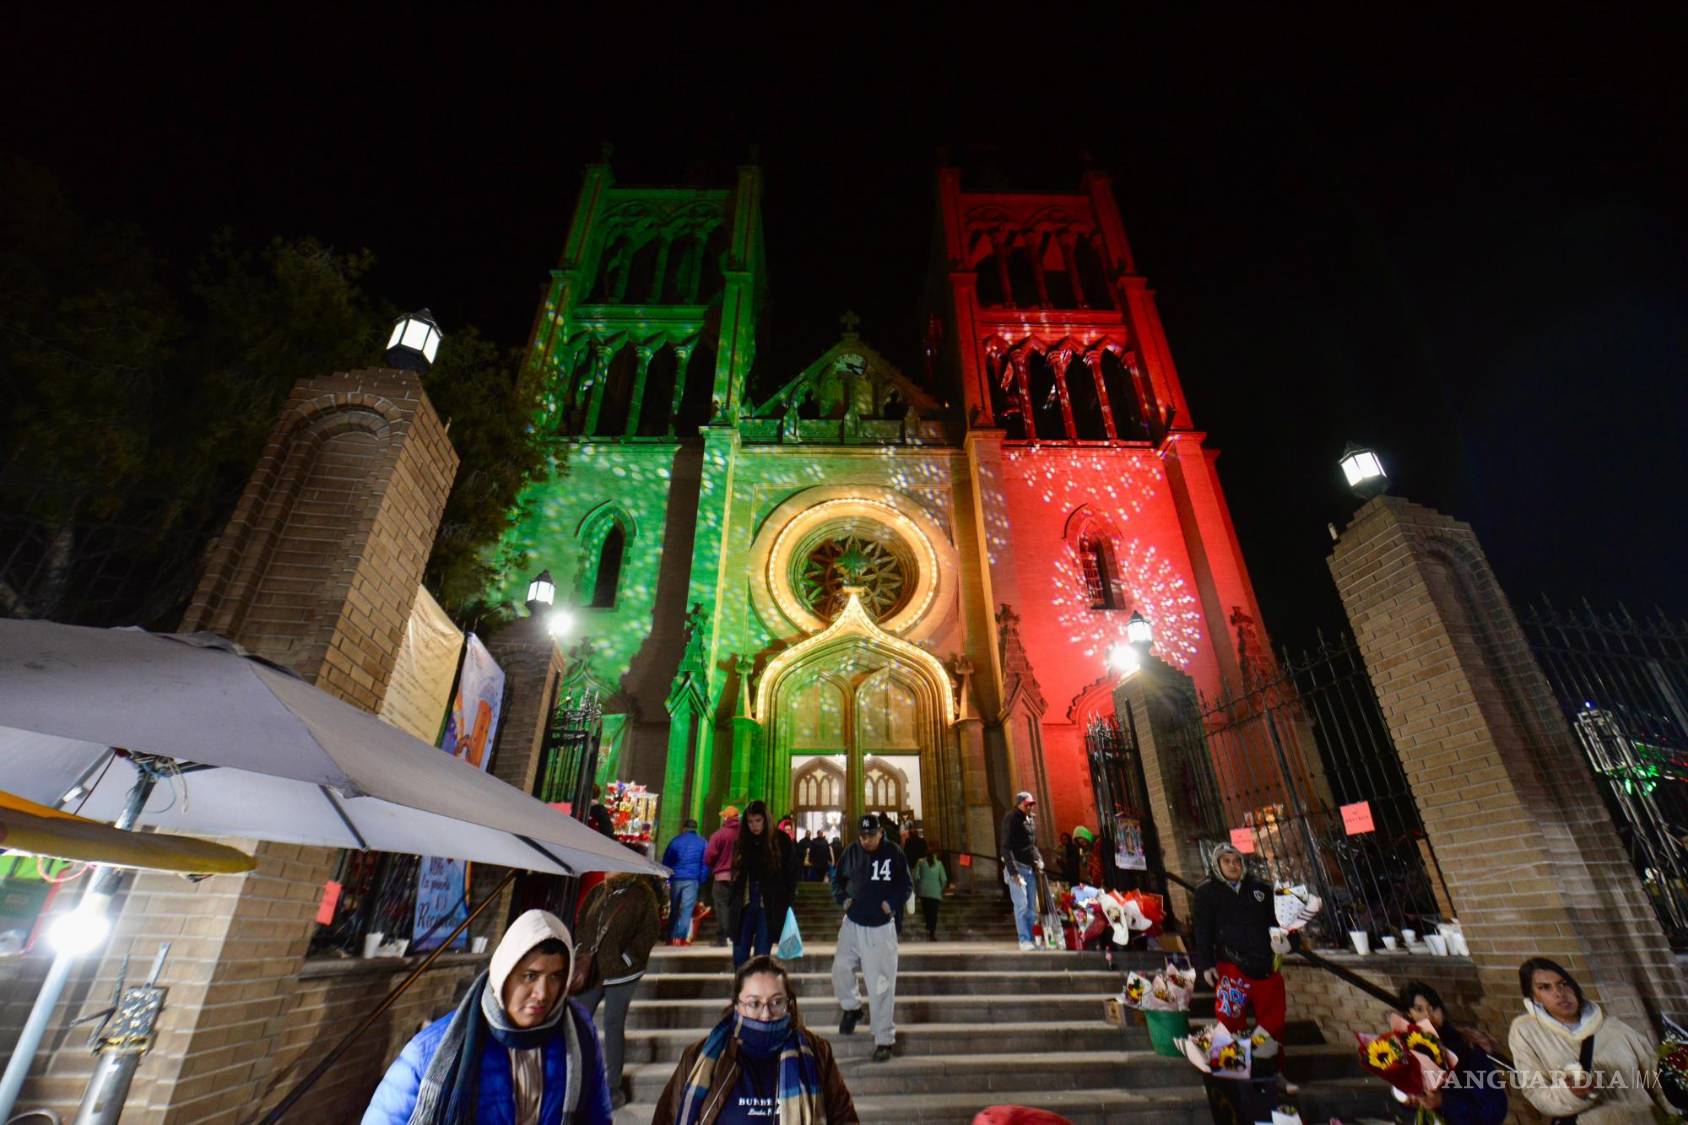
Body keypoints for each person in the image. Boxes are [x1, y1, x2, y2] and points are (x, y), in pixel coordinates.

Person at [364, 909, 613, 1124]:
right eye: (529, 976)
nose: (542, 993)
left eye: (555, 977)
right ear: (503, 973)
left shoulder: (578, 1036)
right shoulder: (430, 1051)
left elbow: (597, 1117)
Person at [651, 954, 858, 1124]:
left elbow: (845, 1119)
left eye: (776, 1002)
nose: (766, 1014)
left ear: (789, 1003)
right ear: (736, 1005)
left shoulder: (816, 1053)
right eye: (754, 1003)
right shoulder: (698, 1056)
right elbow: (666, 1119)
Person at [1509, 957, 1671, 1124]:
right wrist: (1570, 1094)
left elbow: (1660, 1082)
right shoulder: (1526, 1033)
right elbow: (1536, 1092)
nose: (1559, 993)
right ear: (1534, 997)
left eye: (1563, 984)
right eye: (1545, 988)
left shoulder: (1614, 1028)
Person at [575, 873, 662, 1108]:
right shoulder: (598, 892)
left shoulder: (642, 894)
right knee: (578, 1021)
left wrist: (627, 958)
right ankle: (576, 1078)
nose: (609, 871)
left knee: (613, 1024)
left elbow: (650, 930)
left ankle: (613, 1086)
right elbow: (583, 922)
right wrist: (581, 949)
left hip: (623, 972)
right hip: (593, 969)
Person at [831, 813, 911, 1061]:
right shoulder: (851, 851)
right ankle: (852, 1008)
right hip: (853, 922)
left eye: (870, 835)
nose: (866, 840)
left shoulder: (894, 852)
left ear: (880, 833)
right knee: (841, 969)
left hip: (880, 927)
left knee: (881, 985)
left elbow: (905, 885)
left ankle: (884, 1039)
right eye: (862, 836)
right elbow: (837, 880)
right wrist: (843, 900)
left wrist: (891, 903)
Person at [1191, 842, 1287, 1042]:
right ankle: (1234, 1062)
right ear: (1217, 864)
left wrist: (1288, 941)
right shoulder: (1206, 892)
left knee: (1272, 1019)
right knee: (1230, 1018)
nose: (1233, 865)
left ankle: (1270, 1062)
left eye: (1236, 861)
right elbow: (1203, 930)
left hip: (1264, 962)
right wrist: (1207, 964)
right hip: (1231, 964)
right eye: (1226, 861)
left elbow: (1278, 919)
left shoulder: (1260, 888)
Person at [1395, 980, 1508, 1125]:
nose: (1429, 1016)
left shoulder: (1468, 1047)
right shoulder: (1405, 1051)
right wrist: (1410, 1101)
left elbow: (1495, 1108)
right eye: (1419, 1009)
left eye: (1433, 1008)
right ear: (1408, 1014)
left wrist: (1444, 1101)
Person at [730, 799, 798, 968]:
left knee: (761, 956)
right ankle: (742, 992)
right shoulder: (742, 842)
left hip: (767, 904)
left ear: (766, 819)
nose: (754, 825)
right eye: (750, 821)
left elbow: (791, 875)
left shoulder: (781, 841)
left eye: (758, 820)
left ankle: (757, 993)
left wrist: (784, 902)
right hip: (745, 903)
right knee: (739, 955)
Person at [999, 791, 1044, 951]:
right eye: (1027, 804)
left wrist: (1038, 859)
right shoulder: (1011, 818)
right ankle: (1024, 939)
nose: (1030, 807)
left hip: (1030, 868)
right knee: (1021, 905)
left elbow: (1033, 844)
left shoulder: (1031, 819)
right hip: (1017, 867)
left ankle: (1032, 939)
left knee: (1031, 907)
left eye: (1031, 804)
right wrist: (1014, 872)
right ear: (1019, 804)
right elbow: (1006, 846)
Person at [662, 817, 709, 945]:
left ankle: (670, 936)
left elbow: (667, 861)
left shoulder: (675, 841)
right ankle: (679, 937)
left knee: (674, 909)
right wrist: (701, 879)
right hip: (692, 880)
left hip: (676, 878)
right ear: (695, 829)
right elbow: (705, 864)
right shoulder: (702, 842)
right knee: (687, 910)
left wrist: (668, 878)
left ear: (684, 828)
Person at [704, 805, 741, 947]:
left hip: (722, 877)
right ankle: (735, 936)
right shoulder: (743, 835)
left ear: (726, 818)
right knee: (736, 907)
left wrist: (716, 866)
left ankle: (722, 938)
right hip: (739, 877)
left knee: (722, 906)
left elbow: (709, 856)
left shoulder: (719, 834)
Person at [913, 849, 948, 940]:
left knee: (926, 910)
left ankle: (928, 924)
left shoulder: (920, 862)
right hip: (935, 891)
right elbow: (944, 879)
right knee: (934, 913)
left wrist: (918, 886)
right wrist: (940, 889)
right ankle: (932, 933)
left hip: (924, 891)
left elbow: (916, 876)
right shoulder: (939, 864)